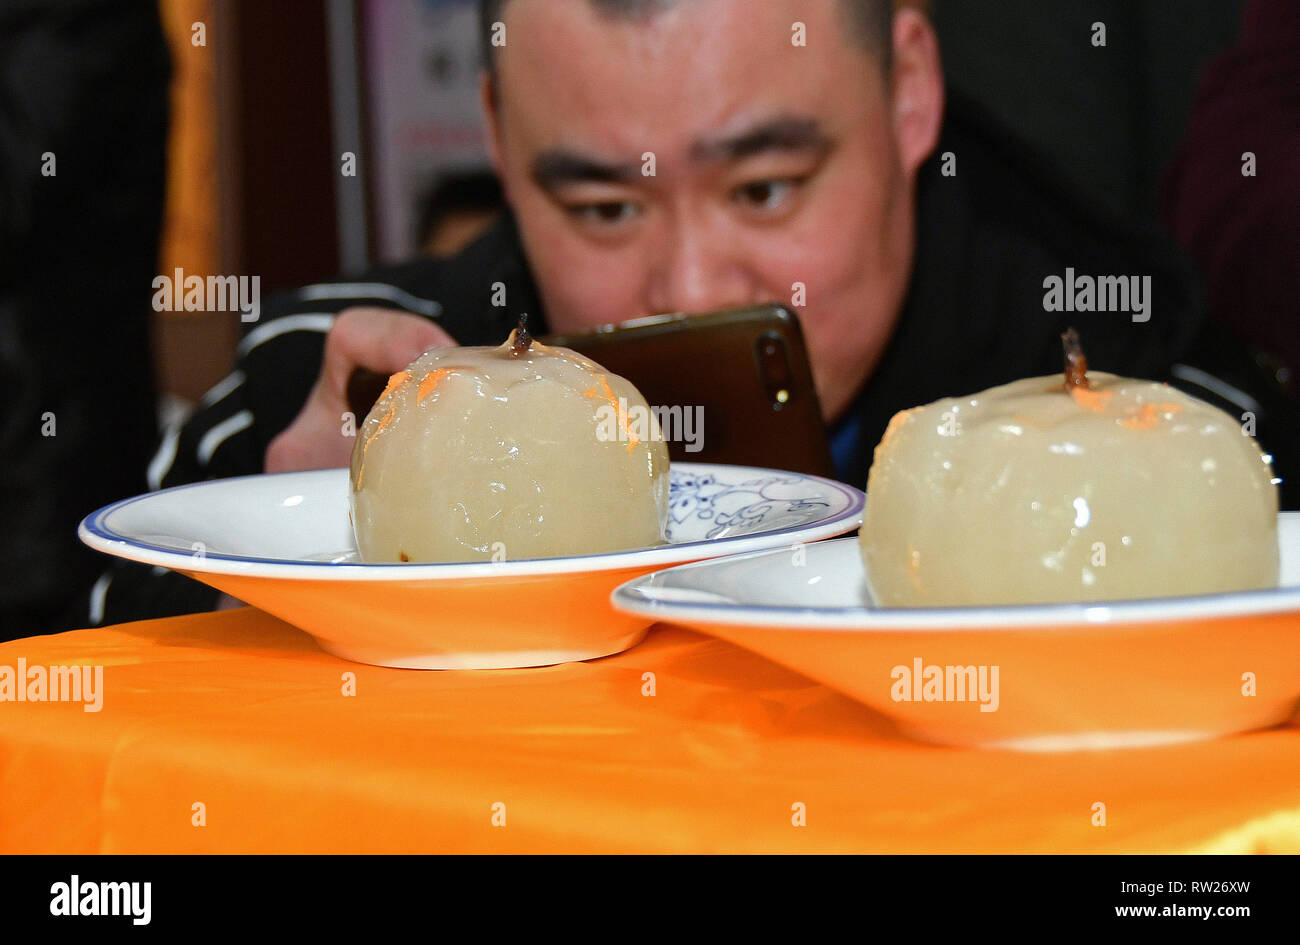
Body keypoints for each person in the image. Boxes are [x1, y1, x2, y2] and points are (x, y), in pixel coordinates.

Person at [90, 0, 1297, 626]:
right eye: (605, 207)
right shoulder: (344, 386)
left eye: (766, 189)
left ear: (909, 92)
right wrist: (287, 557)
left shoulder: (1175, 416)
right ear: (501, 141)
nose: (692, 283)